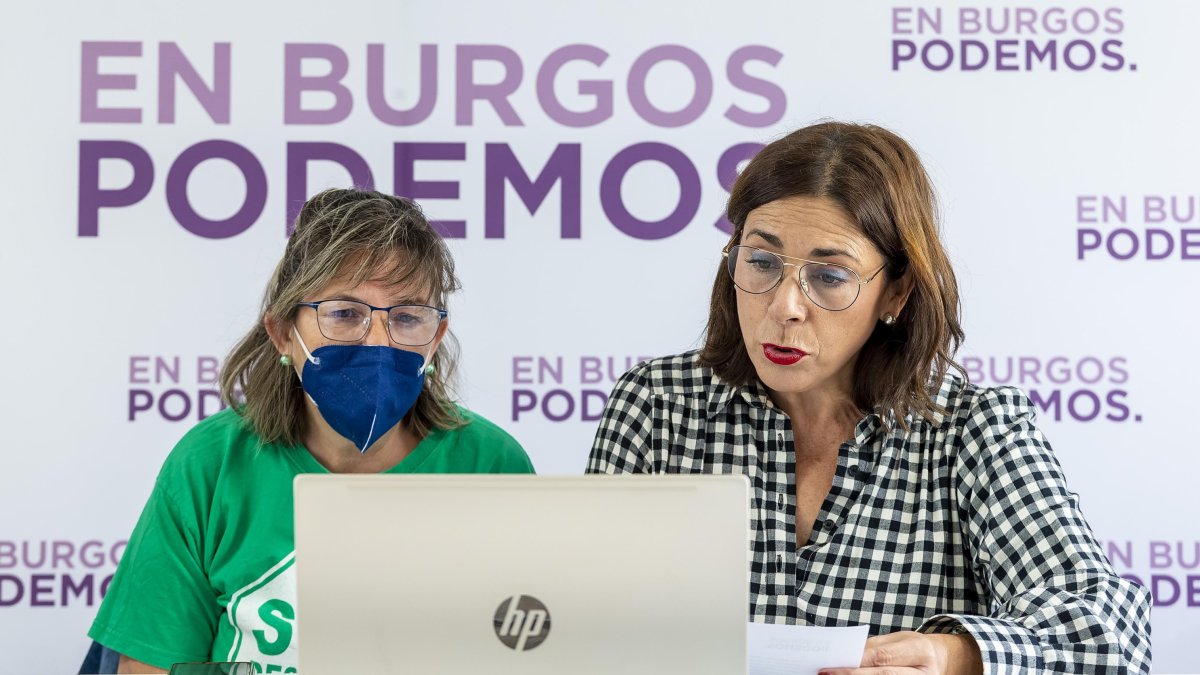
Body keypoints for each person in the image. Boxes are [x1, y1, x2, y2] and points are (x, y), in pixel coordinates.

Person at [587, 122, 1151, 673]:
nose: (785, 305)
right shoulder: (657, 405)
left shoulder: (973, 430)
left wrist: (960, 656)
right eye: (761, 262)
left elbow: (1113, 641)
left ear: (896, 293)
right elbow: (580, 624)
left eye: (830, 276)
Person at [88, 188, 535, 673]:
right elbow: (146, 665)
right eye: (345, 313)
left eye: (407, 317)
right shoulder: (211, 464)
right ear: (283, 332)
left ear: (435, 338)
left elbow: (529, 654)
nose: (379, 341)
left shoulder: (493, 468)